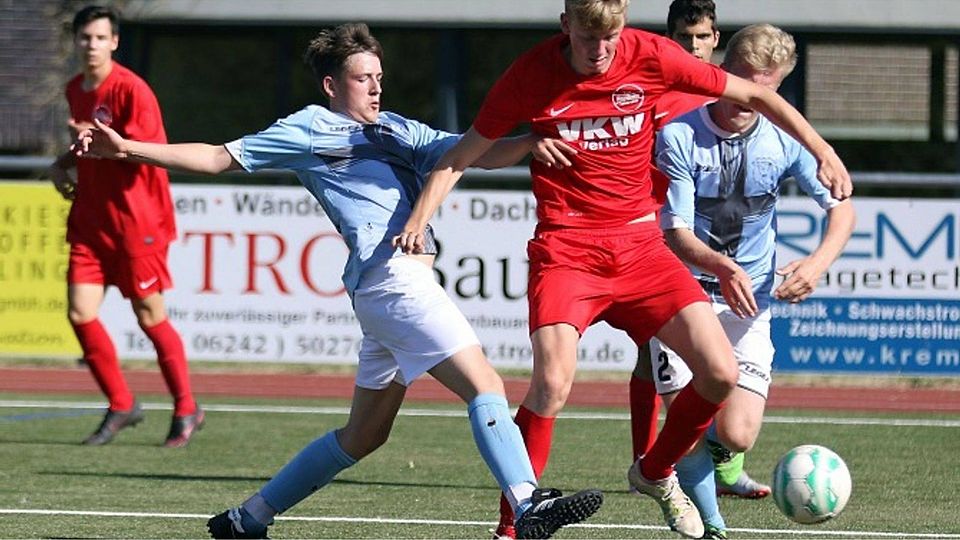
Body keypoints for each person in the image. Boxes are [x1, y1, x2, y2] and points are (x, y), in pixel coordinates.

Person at [73, 22, 603, 540]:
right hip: (395, 283)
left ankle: (249, 517)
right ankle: (527, 502)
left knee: (362, 436)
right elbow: (216, 157)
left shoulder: (397, 128)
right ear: (331, 85)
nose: (375, 87)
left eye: (379, 77)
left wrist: (531, 141)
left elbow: (474, 152)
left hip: (388, 292)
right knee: (484, 385)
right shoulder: (310, 128)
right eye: (362, 78)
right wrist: (128, 149)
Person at [395, 1, 852, 538]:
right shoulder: (531, 75)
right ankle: (511, 528)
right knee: (551, 384)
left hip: (641, 247)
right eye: (588, 38)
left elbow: (755, 94)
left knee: (721, 373)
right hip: (567, 248)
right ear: (566, 26)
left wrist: (821, 149)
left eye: (610, 37)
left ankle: (655, 472)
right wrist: (420, 219)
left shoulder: (651, 54)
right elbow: (466, 153)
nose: (601, 50)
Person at [649, 23, 856, 538]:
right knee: (688, 431)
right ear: (723, 72)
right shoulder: (679, 135)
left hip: (751, 306)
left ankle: (695, 462)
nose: (749, 98)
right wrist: (720, 266)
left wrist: (817, 264)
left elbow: (842, 209)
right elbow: (674, 232)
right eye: (743, 82)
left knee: (738, 434)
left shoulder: (785, 140)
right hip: (681, 297)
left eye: (765, 88)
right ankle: (712, 525)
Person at [630, 0, 773, 510]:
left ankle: (701, 462)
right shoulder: (650, 91)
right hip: (658, 237)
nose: (693, 47)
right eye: (683, 37)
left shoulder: (728, 91)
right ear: (668, 39)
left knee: (680, 359)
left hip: (718, 244)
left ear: (716, 39)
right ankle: (651, 461)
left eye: (702, 37)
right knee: (651, 354)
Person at [47, 4, 203, 448]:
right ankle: (121, 403)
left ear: (114, 42)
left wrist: (97, 141)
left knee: (149, 315)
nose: (91, 45)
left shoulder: (132, 89)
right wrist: (63, 162)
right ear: (76, 41)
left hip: (137, 222)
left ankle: (187, 407)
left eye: (100, 37)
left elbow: (146, 152)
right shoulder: (75, 88)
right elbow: (86, 144)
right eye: (85, 37)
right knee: (80, 312)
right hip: (91, 221)